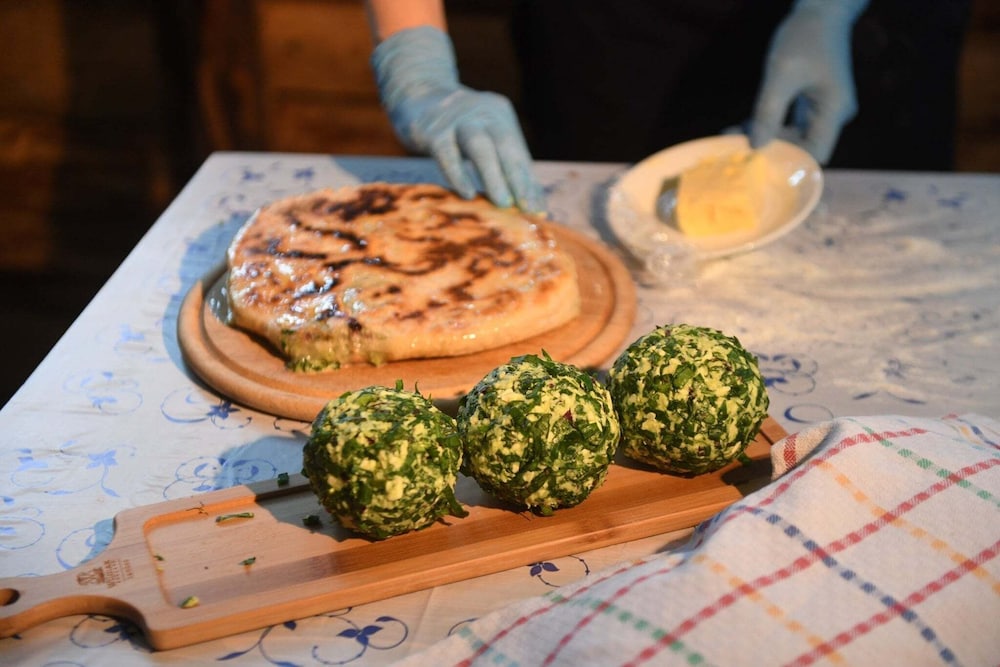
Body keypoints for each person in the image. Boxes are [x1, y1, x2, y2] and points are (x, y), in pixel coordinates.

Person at [364, 0, 969, 213]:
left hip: (867, 27)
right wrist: (414, 59)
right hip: (615, 26)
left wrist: (829, 9)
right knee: (604, 213)